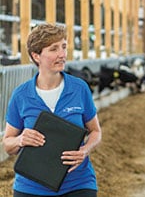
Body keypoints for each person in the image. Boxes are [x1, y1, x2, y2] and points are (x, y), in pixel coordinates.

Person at [2, 23, 102, 197]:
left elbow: (95, 131)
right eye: (54, 49)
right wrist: (20, 140)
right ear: (36, 56)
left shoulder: (79, 88)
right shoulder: (21, 95)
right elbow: (7, 144)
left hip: (78, 183)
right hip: (31, 187)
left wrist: (85, 150)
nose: (62, 54)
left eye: (64, 46)